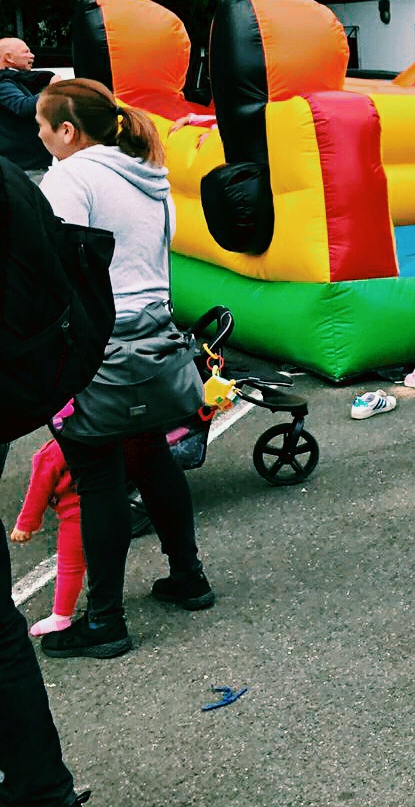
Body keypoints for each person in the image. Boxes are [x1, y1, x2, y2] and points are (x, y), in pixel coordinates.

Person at [34, 78, 214, 660]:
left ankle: (105, 621)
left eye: (42, 125)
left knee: (97, 473)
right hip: (155, 339)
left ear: (68, 130)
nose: (37, 136)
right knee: (151, 454)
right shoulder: (151, 177)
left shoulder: (70, 176)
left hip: (99, 345)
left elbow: (59, 263)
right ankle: (188, 577)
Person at [11, 437, 85, 637]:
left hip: (75, 515)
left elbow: (39, 489)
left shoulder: (53, 451)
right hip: (109, 504)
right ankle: (106, 603)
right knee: (106, 560)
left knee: (70, 566)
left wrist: (26, 524)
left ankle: (61, 616)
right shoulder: (102, 431)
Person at [0, 37, 53, 178]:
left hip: (27, 165)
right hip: (25, 168)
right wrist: (52, 90)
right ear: (9, 57)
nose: (32, 55)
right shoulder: (3, 84)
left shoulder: (15, 81)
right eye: (26, 52)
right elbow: (23, 107)